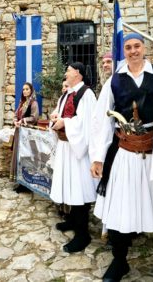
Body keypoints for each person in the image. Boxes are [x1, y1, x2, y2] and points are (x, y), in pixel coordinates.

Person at [90, 33, 153, 282]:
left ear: (144, 48)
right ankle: (120, 261)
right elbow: (101, 120)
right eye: (128, 47)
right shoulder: (115, 80)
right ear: (124, 51)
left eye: (137, 46)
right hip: (125, 153)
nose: (133, 50)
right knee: (120, 209)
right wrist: (98, 157)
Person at [50, 62, 98, 253]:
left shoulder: (86, 94)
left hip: (78, 150)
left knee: (79, 189)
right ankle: (71, 220)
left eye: (68, 70)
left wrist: (65, 122)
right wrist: (55, 116)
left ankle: (82, 234)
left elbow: (88, 123)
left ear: (78, 73)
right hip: (66, 148)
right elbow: (60, 112)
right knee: (69, 185)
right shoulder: (67, 94)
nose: (66, 73)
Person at [11, 82, 39, 191]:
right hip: (19, 132)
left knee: (26, 157)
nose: (25, 91)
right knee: (19, 156)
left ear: (31, 90)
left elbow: (34, 117)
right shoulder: (22, 103)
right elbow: (15, 115)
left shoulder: (33, 103)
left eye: (27, 89)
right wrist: (15, 121)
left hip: (27, 134)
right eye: (23, 89)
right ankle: (20, 181)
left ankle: (27, 183)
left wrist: (22, 120)